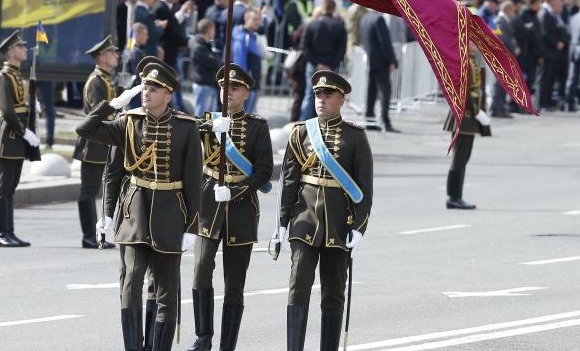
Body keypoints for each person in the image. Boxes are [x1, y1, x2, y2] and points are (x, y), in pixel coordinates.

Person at [78, 56, 202, 351]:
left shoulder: (186, 127)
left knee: (165, 292)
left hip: (171, 214)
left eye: (154, 88)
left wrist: (192, 226)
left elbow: (193, 182)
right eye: (145, 86)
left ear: (168, 94)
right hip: (134, 212)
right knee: (130, 282)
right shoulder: (128, 121)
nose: (146, 92)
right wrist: (112, 105)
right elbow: (87, 132)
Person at [275, 70, 373, 351]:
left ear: (341, 99)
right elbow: (290, 181)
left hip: (338, 223)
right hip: (304, 221)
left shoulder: (355, 137)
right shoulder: (302, 132)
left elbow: (364, 188)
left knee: (333, 293)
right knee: (298, 287)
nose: (321, 99)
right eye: (318, 94)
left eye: (328, 94)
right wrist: (282, 223)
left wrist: (360, 226)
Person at [187, 64, 273, 351]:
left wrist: (236, 191)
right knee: (201, 266)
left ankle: (228, 345)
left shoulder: (258, 127)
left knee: (234, 282)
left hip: (241, 206)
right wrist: (210, 126)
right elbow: (188, 132)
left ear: (246, 93)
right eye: (224, 87)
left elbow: (263, 171)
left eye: (234, 88)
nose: (227, 92)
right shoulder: (208, 120)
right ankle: (203, 336)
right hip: (209, 202)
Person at [0, 32, 42, 247]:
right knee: (4, 186)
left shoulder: (18, 75)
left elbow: (21, 106)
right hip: (9, 135)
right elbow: (7, 112)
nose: (25, 50)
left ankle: (9, 231)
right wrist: (25, 132)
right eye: (20, 47)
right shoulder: (3, 77)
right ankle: (1, 233)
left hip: (17, 137)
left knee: (12, 186)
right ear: (10, 52)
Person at [74, 35, 119, 250]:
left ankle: (97, 234)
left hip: (105, 141)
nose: (116, 55)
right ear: (101, 57)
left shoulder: (106, 79)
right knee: (89, 190)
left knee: (101, 189)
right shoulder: (96, 81)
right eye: (112, 52)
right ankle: (88, 235)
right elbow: (96, 112)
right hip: (93, 142)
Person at [444, 49, 491, 209]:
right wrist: (477, 112)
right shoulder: (461, 60)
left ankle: (457, 195)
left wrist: (482, 108)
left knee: (464, 157)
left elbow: (480, 85)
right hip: (464, 113)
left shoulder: (475, 59)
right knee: (459, 157)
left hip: (472, 114)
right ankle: (453, 196)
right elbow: (463, 90)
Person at [299, 0, 347, 121]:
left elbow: (304, 46)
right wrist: (330, 65)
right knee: (329, 95)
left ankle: (304, 124)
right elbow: (342, 50)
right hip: (331, 64)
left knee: (309, 94)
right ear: (334, 9)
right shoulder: (339, 26)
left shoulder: (312, 24)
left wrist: (316, 63)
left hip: (314, 64)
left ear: (322, 8)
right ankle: (327, 122)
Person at [361, 10, 399, 133]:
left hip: (371, 60)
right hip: (380, 61)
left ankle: (369, 119)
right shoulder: (379, 19)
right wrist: (392, 60)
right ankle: (385, 121)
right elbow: (385, 42)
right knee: (385, 91)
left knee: (371, 91)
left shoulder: (365, 18)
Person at [231, 9, 265, 115]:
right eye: (255, 19)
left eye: (259, 20)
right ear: (246, 18)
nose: (258, 23)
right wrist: (243, 82)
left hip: (252, 82)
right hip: (247, 83)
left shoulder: (251, 35)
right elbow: (239, 62)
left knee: (247, 114)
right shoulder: (241, 36)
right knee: (242, 115)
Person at [491, 0, 521, 117]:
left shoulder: (503, 21)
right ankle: (497, 107)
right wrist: (513, 48)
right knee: (500, 83)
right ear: (508, 9)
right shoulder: (499, 21)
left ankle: (501, 106)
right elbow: (502, 39)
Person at [189, 19, 221, 118]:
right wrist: (216, 59)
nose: (214, 32)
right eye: (213, 29)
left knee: (211, 118)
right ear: (209, 29)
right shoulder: (198, 46)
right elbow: (213, 63)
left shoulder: (205, 45)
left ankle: (209, 134)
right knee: (201, 117)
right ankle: (198, 134)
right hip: (204, 85)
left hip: (209, 84)